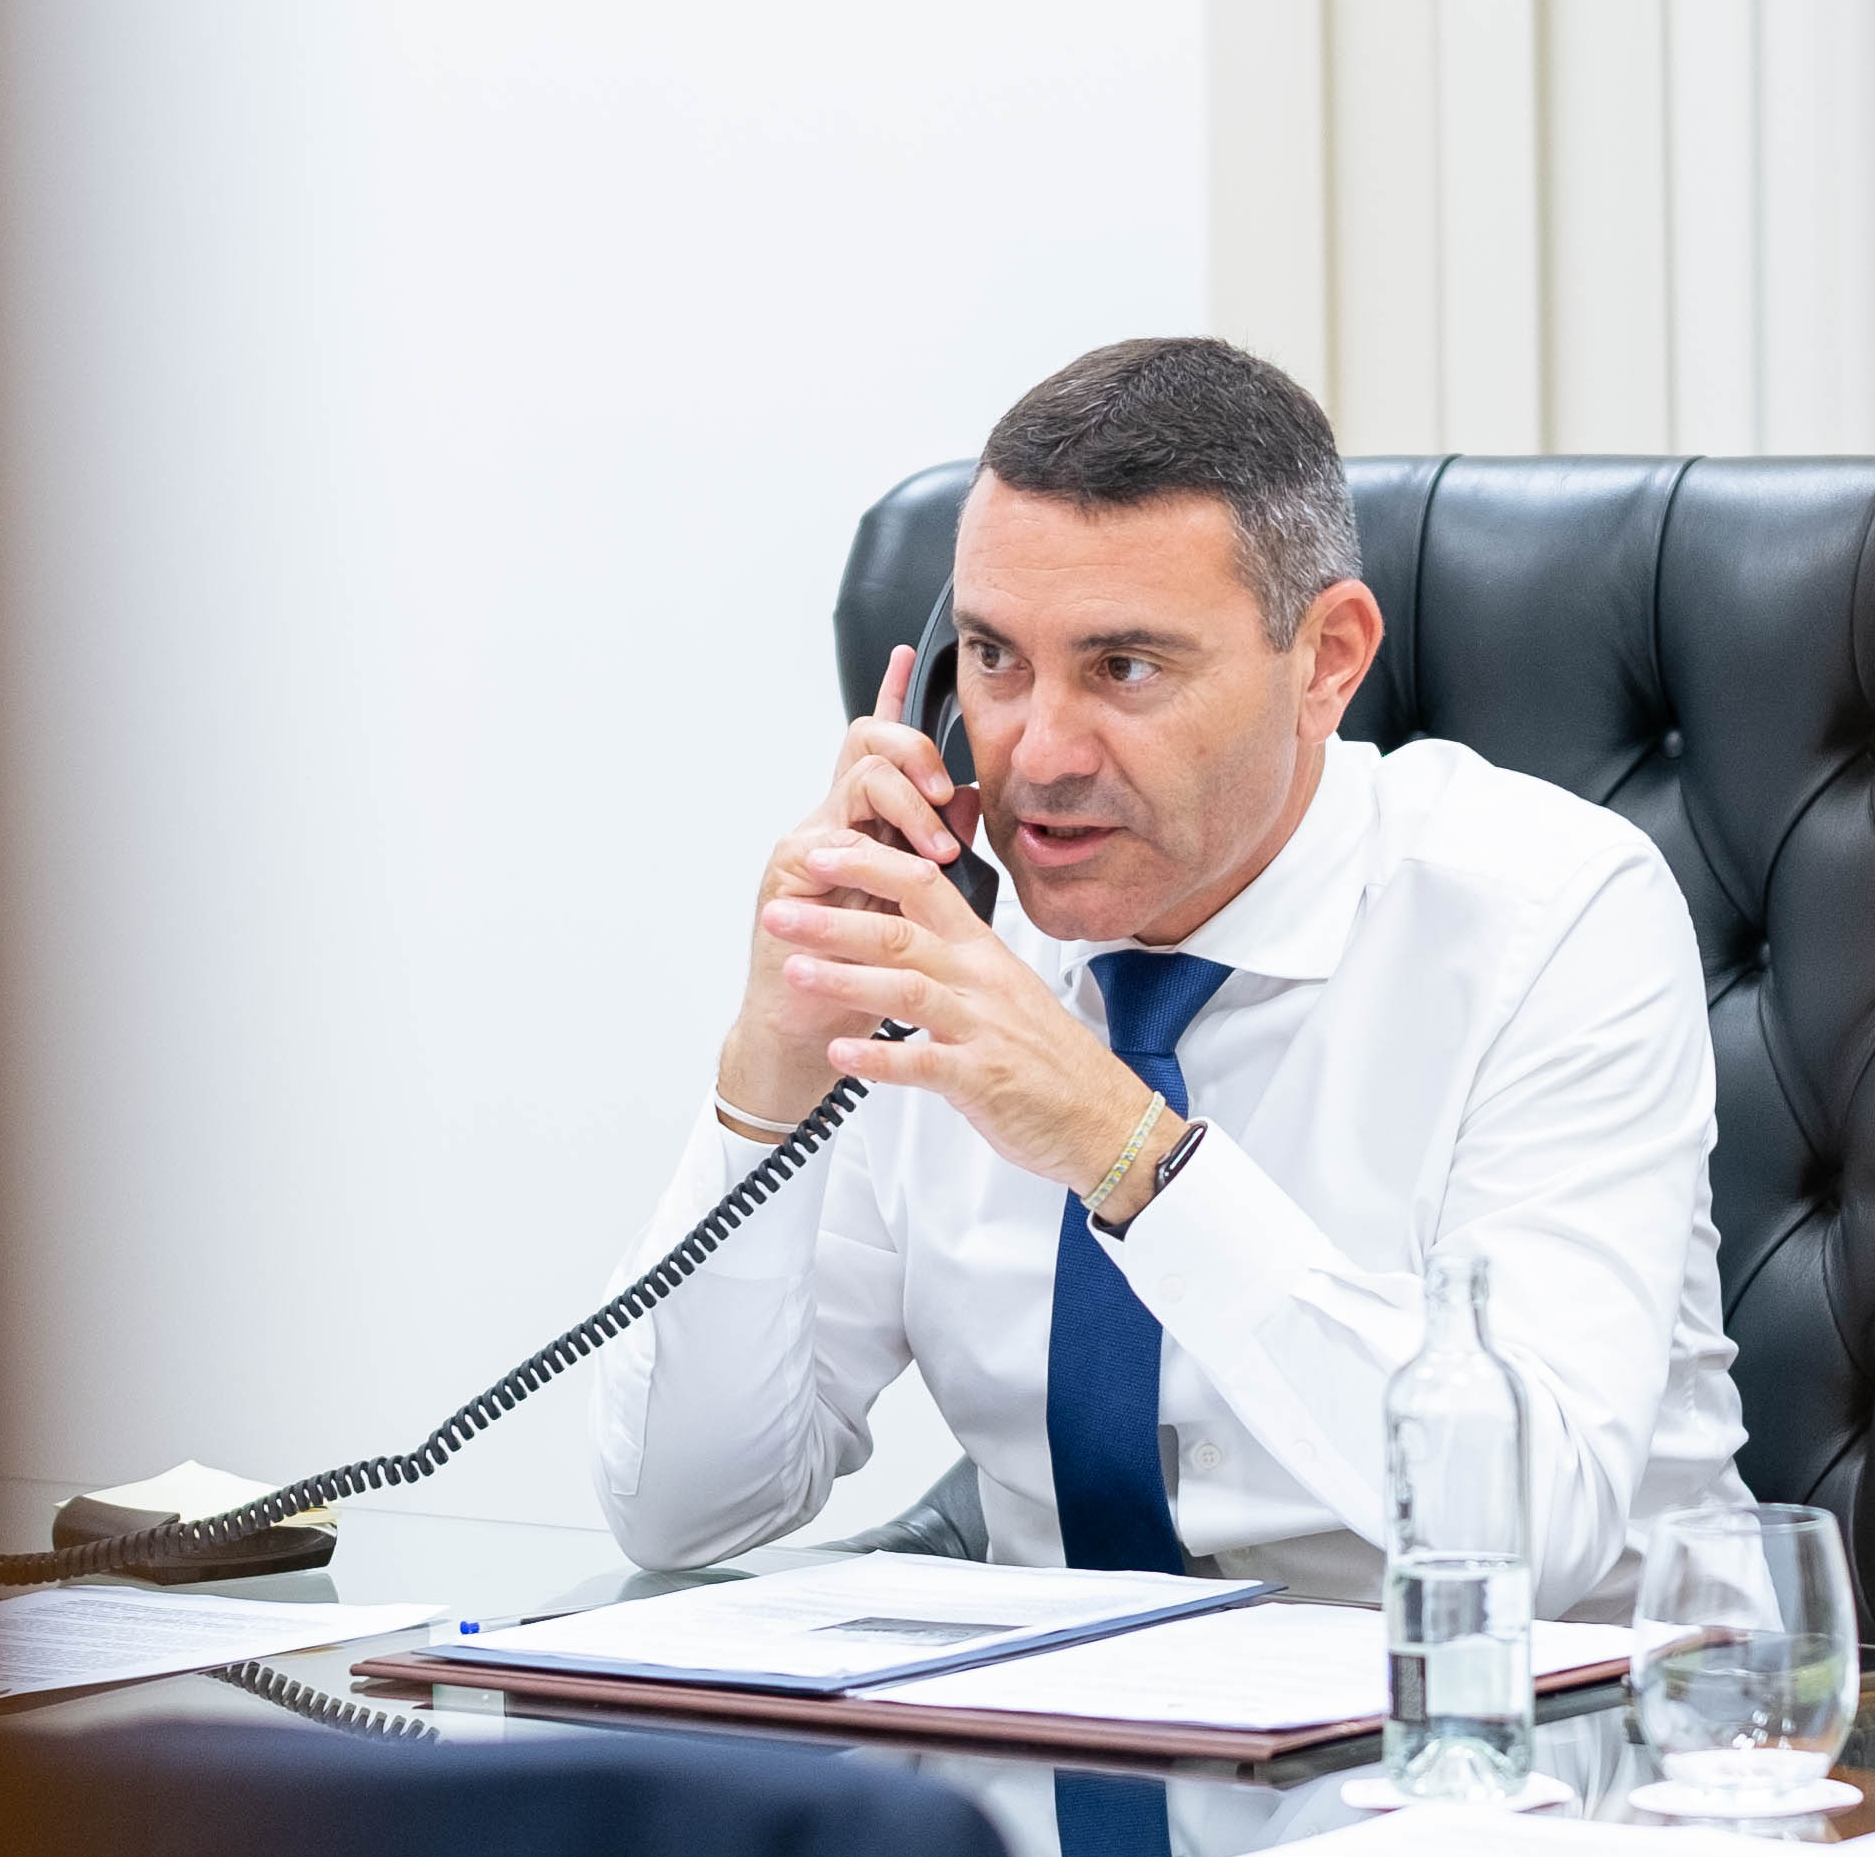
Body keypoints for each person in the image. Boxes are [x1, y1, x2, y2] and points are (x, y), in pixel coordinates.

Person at [588, 336, 1747, 1620]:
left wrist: (1123, 1148)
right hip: (1061, 1746)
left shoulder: (1554, 914)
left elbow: (1533, 1524)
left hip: (1539, 1755)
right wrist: (770, 1075)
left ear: (1327, 662)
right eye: (994, 659)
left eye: (1123, 668)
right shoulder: (940, 937)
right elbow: (682, 1508)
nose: (1038, 749)